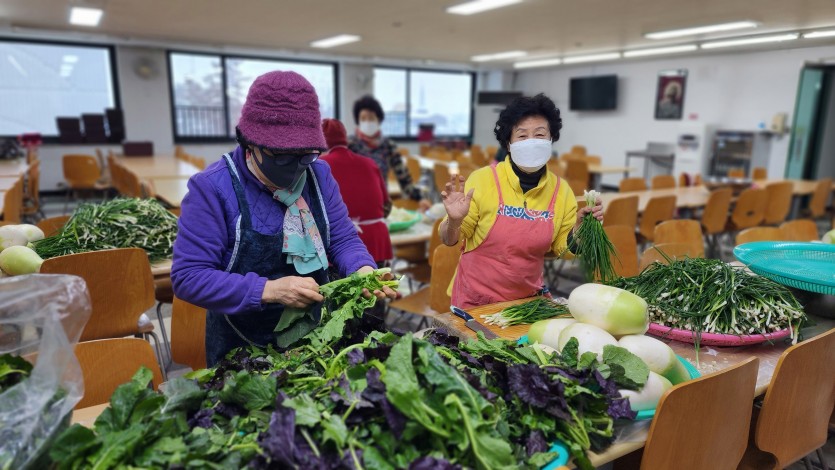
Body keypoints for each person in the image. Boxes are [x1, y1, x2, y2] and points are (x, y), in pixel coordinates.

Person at [171, 71, 397, 366]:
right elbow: (189, 277)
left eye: (305, 156)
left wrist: (362, 268)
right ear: (250, 143)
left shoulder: (319, 175)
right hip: (241, 351)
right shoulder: (213, 188)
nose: (295, 169)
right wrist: (269, 290)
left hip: (316, 342)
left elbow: (342, 238)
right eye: (282, 157)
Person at [439, 93, 603, 309]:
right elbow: (448, 239)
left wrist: (580, 232)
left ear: (551, 139)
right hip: (475, 300)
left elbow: (561, 249)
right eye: (522, 136)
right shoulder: (483, 179)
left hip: (526, 302)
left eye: (540, 134)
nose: (532, 142)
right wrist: (454, 221)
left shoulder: (561, 191)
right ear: (508, 143)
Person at [320, 118, 393, 267]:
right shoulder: (370, 163)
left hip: (339, 248)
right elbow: (387, 205)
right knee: (377, 288)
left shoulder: (320, 166)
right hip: (377, 242)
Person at [347, 95, 431, 211]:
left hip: (380, 205)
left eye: (371, 118)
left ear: (378, 120)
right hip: (353, 206)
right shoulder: (349, 145)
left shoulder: (388, 146)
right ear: (358, 121)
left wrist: (420, 198)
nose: (367, 122)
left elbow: (404, 179)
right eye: (363, 118)